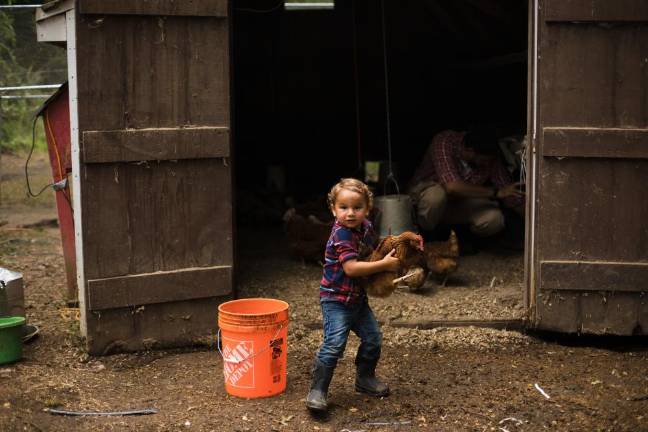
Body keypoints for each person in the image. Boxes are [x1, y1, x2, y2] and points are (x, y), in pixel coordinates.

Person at [305, 178, 400, 412]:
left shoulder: (366, 226)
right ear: (333, 209)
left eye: (357, 207)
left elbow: (373, 248)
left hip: (357, 299)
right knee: (334, 344)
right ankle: (317, 390)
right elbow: (351, 268)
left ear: (367, 208)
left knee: (373, 338)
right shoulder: (341, 235)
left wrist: (389, 249)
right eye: (343, 207)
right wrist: (384, 266)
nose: (350, 213)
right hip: (335, 300)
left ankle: (364, 379)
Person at [408, 128, 524, 245]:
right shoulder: (444, 142)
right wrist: (496, 192)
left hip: (457, 202)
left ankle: (466, 241)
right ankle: (426, 238)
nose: (487, 164)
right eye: (484, 160)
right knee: (436, 195)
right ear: (469, 151)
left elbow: (509, 193)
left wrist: (531, 227)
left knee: (494, 218)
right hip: (425, 199)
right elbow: (452, 187)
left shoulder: (490, 157)